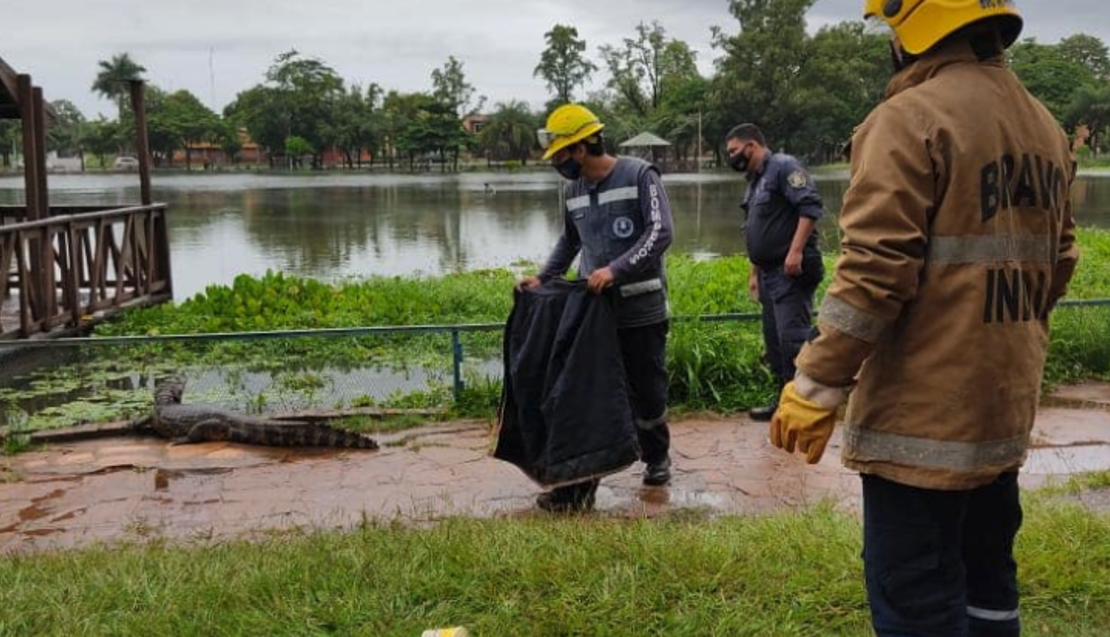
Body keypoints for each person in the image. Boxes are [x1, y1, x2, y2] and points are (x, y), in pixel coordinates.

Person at [769, 2, 1080, 636]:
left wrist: (815, 384)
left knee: (916, 598)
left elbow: (875, 269)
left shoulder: (909, 119)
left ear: (913, 28)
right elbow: (1062, 259)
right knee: (989, 584)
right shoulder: (1044, 125)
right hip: (1000, 415)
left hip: (921, 428)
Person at [517, 103, 675, 511]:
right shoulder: (572, 191)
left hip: (641, 309)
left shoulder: (640, 175)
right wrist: (544, 278)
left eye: (563, 155)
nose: (559, 164)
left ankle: (656, 458)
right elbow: (569, 243)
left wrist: (617, 269)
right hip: (594, 314)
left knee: (647, 393)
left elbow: (661, 233)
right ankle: (580, 485)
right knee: (589, 396)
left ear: (584, 147)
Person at [725, 124, 825, 422]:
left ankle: (806, 406)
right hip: (768, 273)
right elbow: (757, 231)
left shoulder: (785, 167)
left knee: (793, 339)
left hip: (790, 269)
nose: (730, 156)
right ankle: (784, 401)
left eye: (733, 151)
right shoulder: (755, 181)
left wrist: (795, 252)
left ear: (752, 145)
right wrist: (754, 272)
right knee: (775, 342)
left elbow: (810, 208)